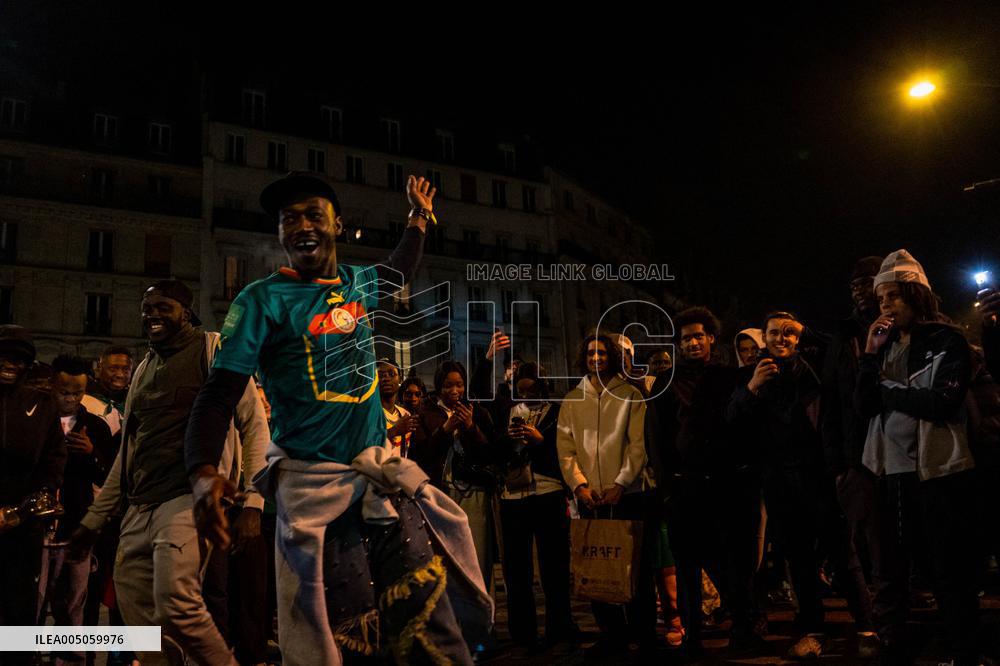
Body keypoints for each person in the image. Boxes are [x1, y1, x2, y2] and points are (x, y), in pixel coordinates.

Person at [184, 172, 489, 666]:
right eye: (289, 218)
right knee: (353, 636)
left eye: (313, 214)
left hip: (379, 482)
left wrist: (418, 215)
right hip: (316, 495)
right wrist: (202, 471)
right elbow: (218, 394)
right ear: (280, 233)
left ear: (338, 225)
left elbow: (399, 268)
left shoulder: (356, 284)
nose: (301, 224)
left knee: (427, 622)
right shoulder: (261, 301)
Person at [69, 280, 269, 666]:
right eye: (146, 308)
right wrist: (94, 519)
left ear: (185, 311)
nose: (152, 315)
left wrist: (254, 503)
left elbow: (255, 426)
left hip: (187, 501)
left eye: (163, 307)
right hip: (137, 507)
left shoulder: (213, 350)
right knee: (136, 614)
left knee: (179, 605)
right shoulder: (143, 369)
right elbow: (129, 452)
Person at [856, 250, 980, 665]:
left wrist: (887, 391)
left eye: (893, 297)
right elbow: (862, 404)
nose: (885, 308)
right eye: (881, 300)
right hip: (891, 473)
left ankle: (965, 650)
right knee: (902, 567)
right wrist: (870, 355)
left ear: (915, 294)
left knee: (948, 569)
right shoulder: (886, 344)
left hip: (937, 472)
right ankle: (914, 644)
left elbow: (941, 402)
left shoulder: (948, 339)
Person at [728, 311, 872, 659]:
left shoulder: (813, 368)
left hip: (818, 475)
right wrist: (751, 389)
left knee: (842, 552)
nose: (782, 339)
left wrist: (806, 330)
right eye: (775, 333)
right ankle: (812, 628)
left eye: (789, 334)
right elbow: (732, 423)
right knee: (798, 558)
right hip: (778, 481)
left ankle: (868, 625)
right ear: (764, 338)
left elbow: (839, 345)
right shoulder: (750, 376)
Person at [646, 307, 762, 656]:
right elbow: (656, 440)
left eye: (699, 336)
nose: (693, 342)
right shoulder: (667, 383)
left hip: (726, 486)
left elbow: (743, 429)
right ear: (678, 344)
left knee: (731, 565)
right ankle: (692, 638)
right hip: (684, 488)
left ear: (711, 337)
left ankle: (742, 632)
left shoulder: (730, 378)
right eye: (686, 338)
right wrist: (667, 491)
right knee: (686, 570)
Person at [556, 331, 655, 659]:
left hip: (627, 496)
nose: (596, 359)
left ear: (611, 356)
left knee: (635, 568)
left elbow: (638, 445)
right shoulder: (572, 399)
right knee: (596, 566)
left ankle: (643, 634)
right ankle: (612, 634)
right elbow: (566, 448)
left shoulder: (630, 395)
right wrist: (579, 484)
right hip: (591, 498)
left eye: (601, 353)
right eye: (590, 354)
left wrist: (621, 483)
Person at [819, 256, 884, 657]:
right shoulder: (843, 336)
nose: (859, 290)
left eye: (867, 282)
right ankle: (878, 627)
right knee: (866, 543)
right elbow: (830, 403)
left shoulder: (902, 327)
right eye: (854, 285)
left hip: (898, 452)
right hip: (856, 457)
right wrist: (838, 465)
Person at [37, 354, 115, 665]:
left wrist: (92, 452)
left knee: (73, 604)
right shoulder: (35, 417)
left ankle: (70, 659)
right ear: (52, 385)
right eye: (64, 391)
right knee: (34, 602)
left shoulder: (94, 425)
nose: (70, 399)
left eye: (77, 393)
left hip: (76, 527)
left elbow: (110, 476)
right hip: (37, 527)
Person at [495, 362, 575, 655]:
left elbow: (566, 453)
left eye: (531, 389)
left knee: (554, 567)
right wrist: (510, 440)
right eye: (520, 390)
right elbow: (496, 449)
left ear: (543, 387)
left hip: (547, 491)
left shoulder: (557, 412)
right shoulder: (510, 413)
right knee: (516, 571)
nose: (526, 395)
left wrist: (540, 442)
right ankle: (523, 636)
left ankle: (560, 631)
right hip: (514, 495)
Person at [0, 326, 66, 666]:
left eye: (21, 358)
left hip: (20, 528)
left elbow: (53, 462)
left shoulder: (41, 406)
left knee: (18, 611)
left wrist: (22, 510)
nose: (12, 364)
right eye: (5, 355)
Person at [409, 360, 498, 593]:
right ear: (439, 386)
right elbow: (419, 456)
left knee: (477, 557)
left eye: (459, 385)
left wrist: (471, 427)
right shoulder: (424, 413)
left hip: (474, 493)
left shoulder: (477, 411)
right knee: (445, 557)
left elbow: (490, 454)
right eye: (449, 385)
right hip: (440, 493)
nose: (455, 391)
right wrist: (445, 430)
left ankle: (480, 617)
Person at [81, 345, 133, 438]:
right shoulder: (83, 399)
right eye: (113, 369)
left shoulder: (135, 402)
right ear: (99, 368)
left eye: (126, 370)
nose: (120, 375)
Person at [378, 358, 419, 457]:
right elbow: (365, 446)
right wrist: (394, 431)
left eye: (391, 374)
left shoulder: (405, 415)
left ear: (400, 379)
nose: (386, 378)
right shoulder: (370, 413)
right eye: (380, 375)